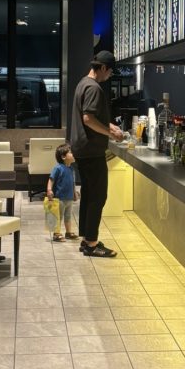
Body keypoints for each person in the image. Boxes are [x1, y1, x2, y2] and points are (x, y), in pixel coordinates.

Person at [70, 50, 124, 257]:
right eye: (109, 72)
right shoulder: (94, 88)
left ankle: (87, 239)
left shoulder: (83, 83)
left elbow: (92, 116)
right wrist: (111, 134)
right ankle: (92, 243)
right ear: (102, 68)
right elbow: (88, 119)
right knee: (98, 196)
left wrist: (110, 126)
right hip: (91, 150)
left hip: (82, 149)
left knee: (89, 194)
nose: (109, 76)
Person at [46, 142, 79, 242]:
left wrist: (74, 193)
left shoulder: (71, 169)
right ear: (63, 157)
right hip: (59, 198)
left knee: (68, 216)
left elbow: (72, 183)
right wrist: (49, 189)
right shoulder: (58, 168)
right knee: (58, 216)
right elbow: (51, 179)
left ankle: (68, 232)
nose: (73, 154)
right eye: (71, 152)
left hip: (69, 198)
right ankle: (56, 234)